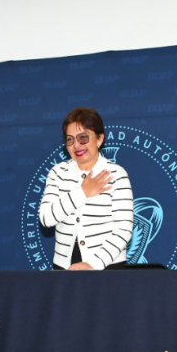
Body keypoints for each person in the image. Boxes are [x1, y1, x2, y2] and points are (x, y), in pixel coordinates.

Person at [39, 107, 134, 270]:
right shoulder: (57, 172)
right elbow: (46, 218)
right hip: (65, 266)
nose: (76, 145)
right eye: (70, 139)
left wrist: (94, 264)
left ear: (99, 139)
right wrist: (82, 192)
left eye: (83, 138)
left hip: (107, 266)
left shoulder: (117, 174)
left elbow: (124, 228)